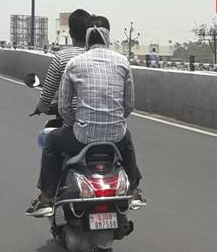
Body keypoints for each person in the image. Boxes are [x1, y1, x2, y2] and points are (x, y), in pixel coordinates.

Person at [28, 15, 144, 217]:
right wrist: (116, 121)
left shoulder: (74, 63)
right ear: (108, 39)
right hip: (116, 137)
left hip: (82, 137)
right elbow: (129, 104)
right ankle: (134, 191)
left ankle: (46, 198)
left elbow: (63, 106)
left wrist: (75, 124)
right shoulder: (123, 62)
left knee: (52, 141)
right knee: (128, 139)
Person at [34, 9, 90, 116]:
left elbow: (45, 98)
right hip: (99, 119)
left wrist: (42, 107)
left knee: (45, 133)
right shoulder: (100, 57)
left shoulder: (61, 57)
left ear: (70, 32)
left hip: (71, 120)